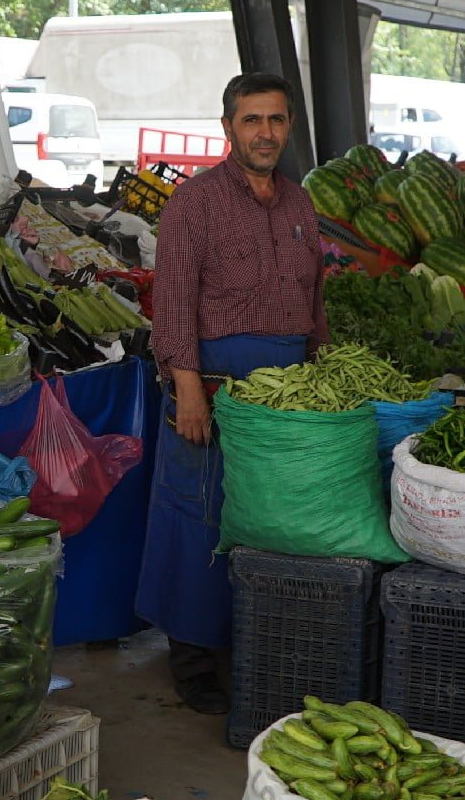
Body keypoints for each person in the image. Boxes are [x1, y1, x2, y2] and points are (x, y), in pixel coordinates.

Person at [134, 71, 328, 714]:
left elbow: (314, 303)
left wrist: (321, 379)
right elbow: (173, 304)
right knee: (202, 517)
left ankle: (250, 645)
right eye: (252, 121)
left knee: (268, 522)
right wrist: (187, 387)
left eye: (275, 120)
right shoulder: (194, 204)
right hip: (214, 391)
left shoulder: (301, 206)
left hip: (286, 396)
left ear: (289, 127)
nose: (265, 133)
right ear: (227, 129)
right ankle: (191, 660)